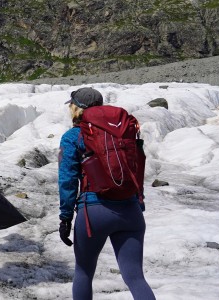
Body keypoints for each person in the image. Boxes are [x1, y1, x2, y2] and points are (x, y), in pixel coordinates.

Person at [58, 87, 154, 300]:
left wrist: (65, 217)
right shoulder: (122, 134)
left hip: (94, 211)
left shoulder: (73, 136)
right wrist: (139, 201)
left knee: (84, 272)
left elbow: (67, 179)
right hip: (130, 210)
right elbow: (137, 167)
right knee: (136, 277)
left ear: (76, 108)